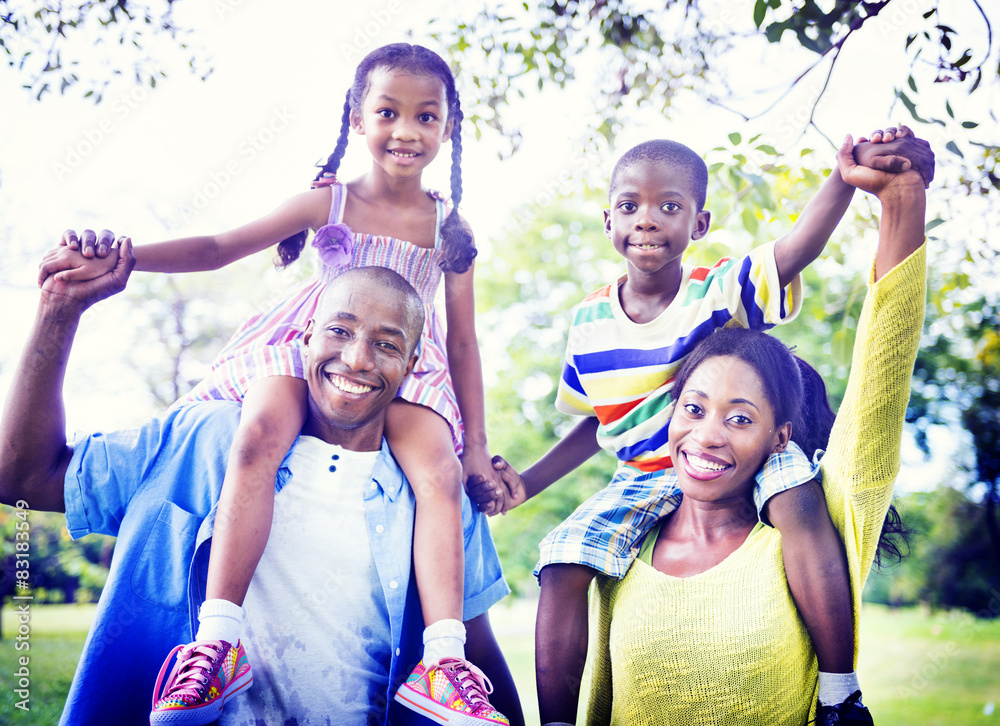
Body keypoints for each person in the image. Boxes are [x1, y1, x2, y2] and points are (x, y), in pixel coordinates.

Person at [37, 43, 511, 724]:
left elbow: (462, 342)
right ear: (356, 117)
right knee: (256, 436)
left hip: (405, 363)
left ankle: (441, 660)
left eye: (426, 117)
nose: (406, 131)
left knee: (434, 474)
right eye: (387, 112)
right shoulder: (330, 201)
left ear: (448, 128)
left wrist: (473, 448)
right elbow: (219, 247)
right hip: (311, 343)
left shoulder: (450, 228)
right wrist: (126, 258)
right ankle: (218, 639)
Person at [481, 127, 933, 725]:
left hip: (742, 460)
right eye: (629, 206)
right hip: (639, 476)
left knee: (797, 499)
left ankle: (839, 690)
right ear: (608, 220)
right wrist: (529, 484)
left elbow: (795, 248)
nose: (646, 219)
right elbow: (601, 420)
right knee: (560, 559)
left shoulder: (715, 293)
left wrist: (843, 179)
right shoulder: (587, 321)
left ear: (699, 224)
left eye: (669, 206)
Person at [0, 257, 523, 726]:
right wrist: (57, 311)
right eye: (339, 332)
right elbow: (22, 478)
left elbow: (478, 647)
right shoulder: (201, 440)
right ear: (306, 338)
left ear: (412, 367)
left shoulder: (435, 487)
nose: (358, 360)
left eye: (386, 345)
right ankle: (215, 651)